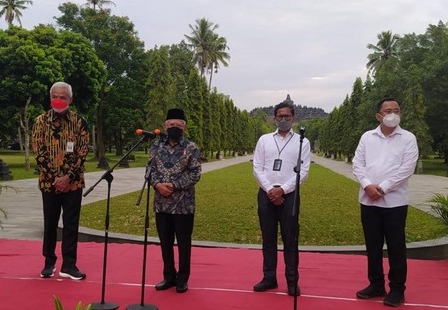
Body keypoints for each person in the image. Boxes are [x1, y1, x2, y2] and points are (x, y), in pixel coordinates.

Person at [352, 97, 419, 307]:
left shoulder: (408, 138)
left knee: (396, 246)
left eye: (396, 110)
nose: (393, 114)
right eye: (388, 110)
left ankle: (397, 289)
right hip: (368, 201)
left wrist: (383, 187)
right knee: (372, 246)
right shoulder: (367, 137)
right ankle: (376, 284)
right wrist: (367, 185)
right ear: (378, 116)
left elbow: (407, 169)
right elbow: (358, 163)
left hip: (395, 203)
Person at [32, 81, 90, 281]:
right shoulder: (40, 122)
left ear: (70, 99)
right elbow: (38, 153)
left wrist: (68, 177)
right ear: (50, 99)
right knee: (50, 223)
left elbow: (82, 153)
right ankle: (49, 262)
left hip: (73, 183)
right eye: (55, 96)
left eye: (62, 97)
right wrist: (55, 179)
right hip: (49, 183)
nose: (58, 100)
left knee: (71, 224)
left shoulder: (80, 122)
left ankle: (69, 265)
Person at [252, 98, 311, 296]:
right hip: (266, 195)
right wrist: (270, 189)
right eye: (280, 116)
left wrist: (282, 190)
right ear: (274, 119)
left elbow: (303, 171)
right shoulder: (264, 140)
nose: (283, 119)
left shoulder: (302, 141)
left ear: (293, 118)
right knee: (268, 240)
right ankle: (269, 278)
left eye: (287, 116)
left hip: (290, 196)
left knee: (290, 240)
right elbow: (257, 168)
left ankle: (292, 281)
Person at [148, 108, 201, 293]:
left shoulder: (191, 147)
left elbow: (196, 173)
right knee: (165, 242)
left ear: (184, 128)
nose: (174, 128)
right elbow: (150, 170)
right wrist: (156, 184)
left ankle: (182, 278)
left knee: (184, 243)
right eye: (171, 125)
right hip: (161, 204)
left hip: (183, 205)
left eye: (178, 125)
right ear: (165, 125)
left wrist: (174, 185)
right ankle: (168, 276)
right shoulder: (156, 147)